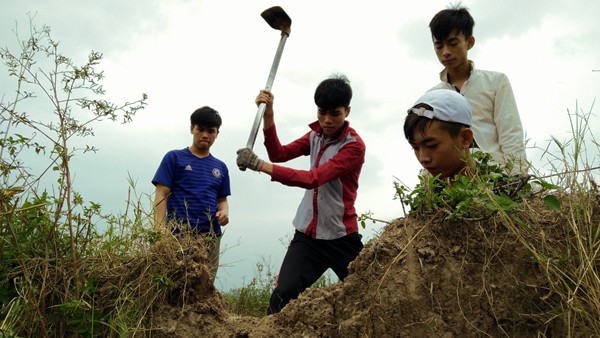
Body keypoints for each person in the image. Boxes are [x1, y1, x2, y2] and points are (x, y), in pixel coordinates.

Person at [236, 75, 365, 314]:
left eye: (334, 114)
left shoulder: (353, 146)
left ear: (347, 111)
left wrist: (259, 165)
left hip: (341, 236)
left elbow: (312, 179)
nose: (326, 120)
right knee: (282, 296)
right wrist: (269, 115)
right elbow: (278, 153)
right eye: (321, 112)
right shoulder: (314, 137)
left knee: (370, 290)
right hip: (308, 237)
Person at [428, 5, 528, 175]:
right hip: (453, 183)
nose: (445, 52)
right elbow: (430, 146)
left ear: (469, 42)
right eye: (438, 46)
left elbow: (511, 134)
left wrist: (517, 178)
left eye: (452, 43)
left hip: (496, 175)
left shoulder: (496, 83)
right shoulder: (432, 97)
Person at [152, 106, 230, 280]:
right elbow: (161, 193)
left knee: (205, 285)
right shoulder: (174, 158)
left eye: (211, 131)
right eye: (200, 129)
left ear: (217, 134)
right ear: (191, 129)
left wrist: (224, 212)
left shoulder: (220, 167)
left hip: (210, 236)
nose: (205, 135)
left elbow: (222, 199)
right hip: (179, 234)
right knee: (175, 282)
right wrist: (159, 230)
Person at [404, 89, 475, 180]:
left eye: (432, 145)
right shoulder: (428, 193)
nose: (423, 158)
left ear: (465, 138)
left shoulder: (496, 189)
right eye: (415, 148)